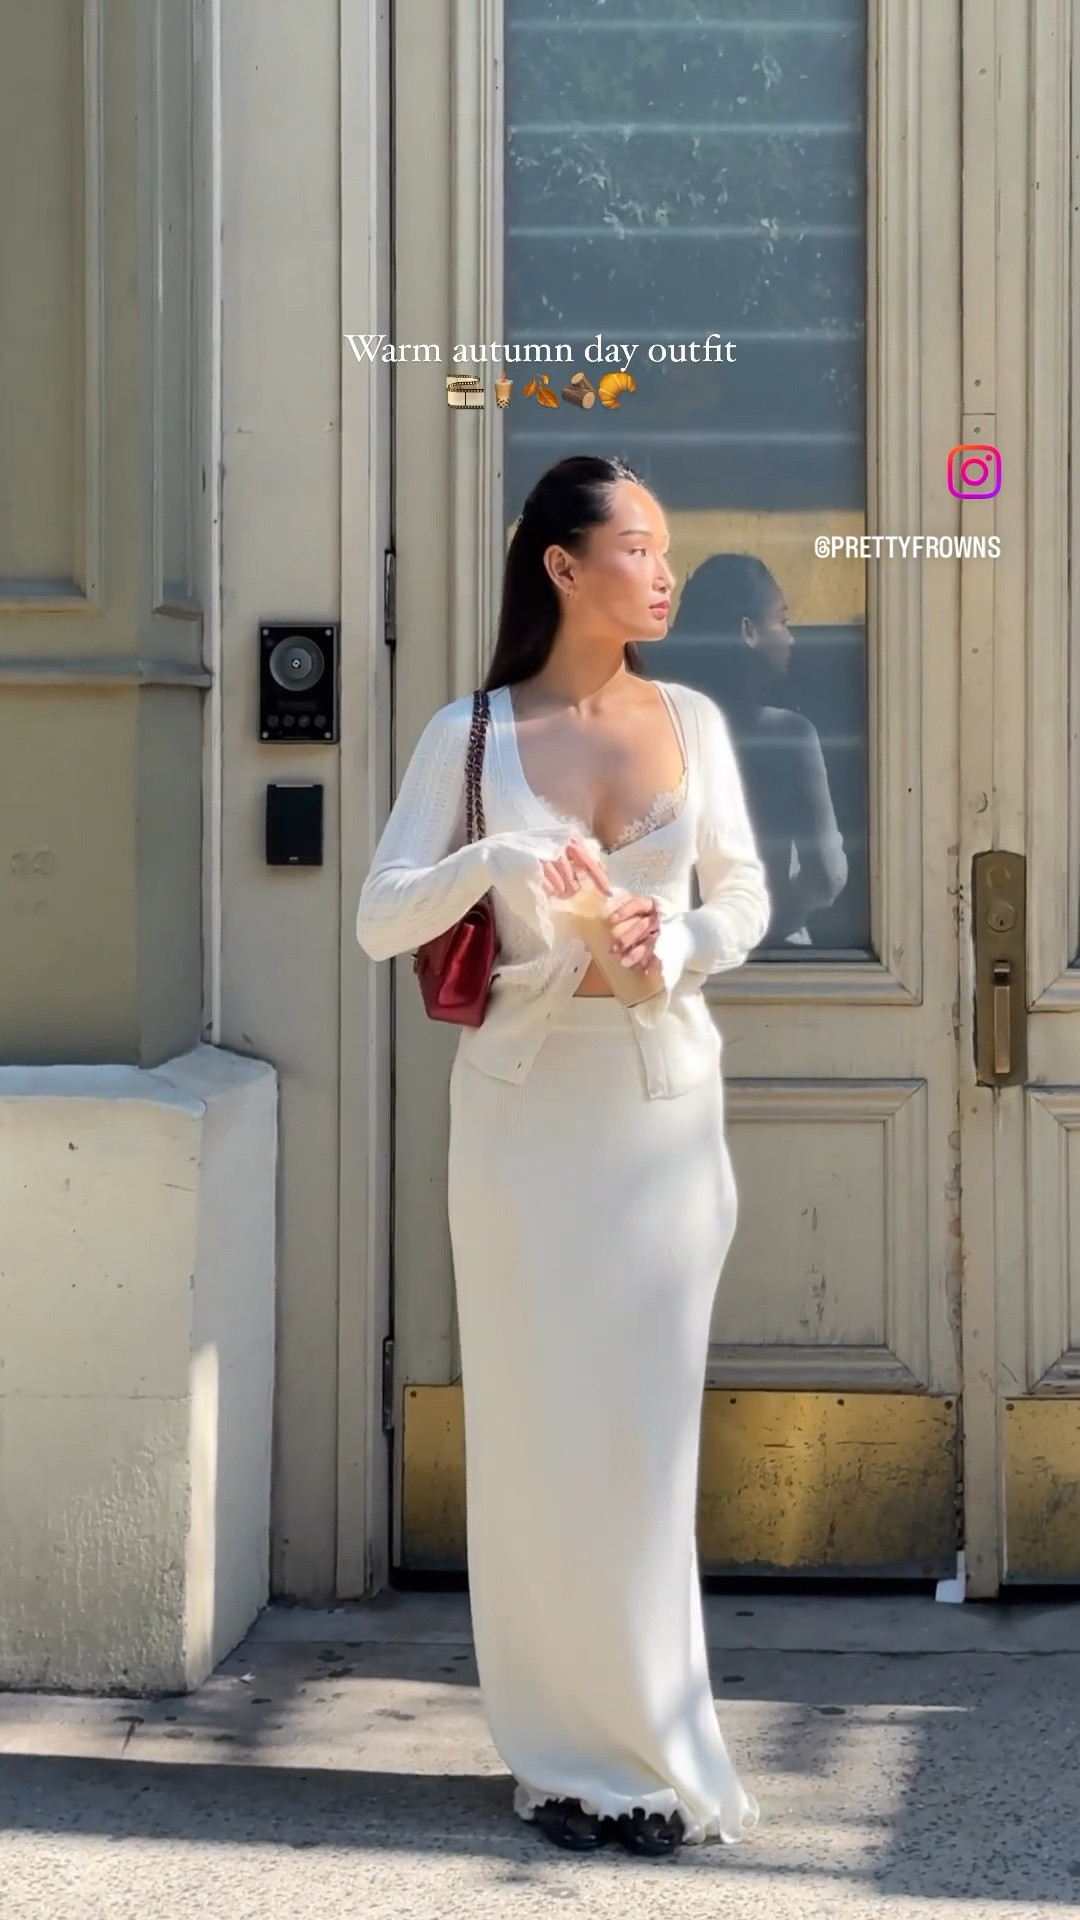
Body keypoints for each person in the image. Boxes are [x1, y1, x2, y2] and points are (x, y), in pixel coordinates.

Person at [356, 454, 768, 1859]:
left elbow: (749, 896)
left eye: (665, 550)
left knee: (640, 1446)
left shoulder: (695, 721)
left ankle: (655, 1749)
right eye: (640, 548)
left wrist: (683, 939)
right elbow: (379, 918)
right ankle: (559, 1759)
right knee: (537, 1440)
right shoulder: (465, 734)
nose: (663, 574)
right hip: (523, 1130)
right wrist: (492, 867)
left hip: (659, 1118)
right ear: (562, 566)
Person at [670, 553, 847, 947]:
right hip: (777, 954)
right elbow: (827, 876)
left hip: (683, 951)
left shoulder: (662, 728)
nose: (790, 638)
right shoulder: (790, 735)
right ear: (748, 631)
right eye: (782, 621)